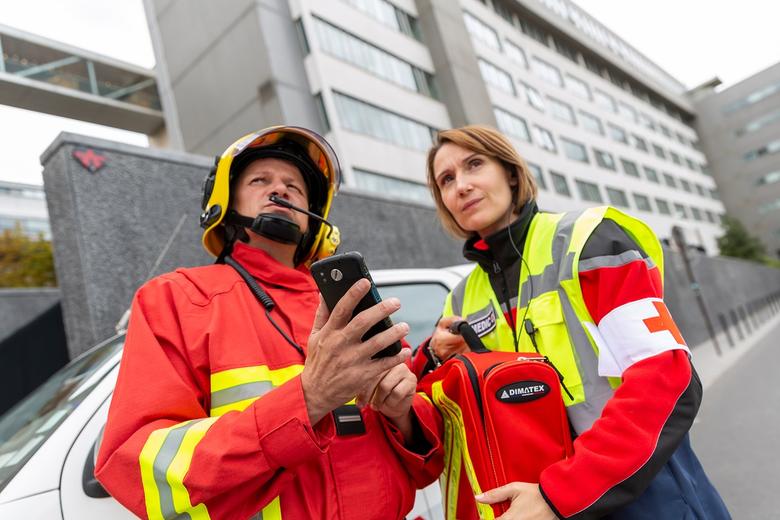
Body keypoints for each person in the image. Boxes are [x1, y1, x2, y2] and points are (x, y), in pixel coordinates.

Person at [95, 126, 442, 520]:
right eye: (260, 180)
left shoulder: (343, 305)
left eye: (295, 186)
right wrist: (307, 400)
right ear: (224, 201)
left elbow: (425, 467)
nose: (280, 191)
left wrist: (403, 416)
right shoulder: (176, 298)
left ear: (315, 217)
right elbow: (137, 468)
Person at [412, 125, 730, 519]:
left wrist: (559, 494)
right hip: (537, 499)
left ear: (511, 172)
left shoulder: (588, 240)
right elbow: (454, 418)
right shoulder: (460, 298)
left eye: (474, 164)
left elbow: (667, 379)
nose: (461, 185)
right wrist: (427, 357)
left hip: (642, 491)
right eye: (446, 179)